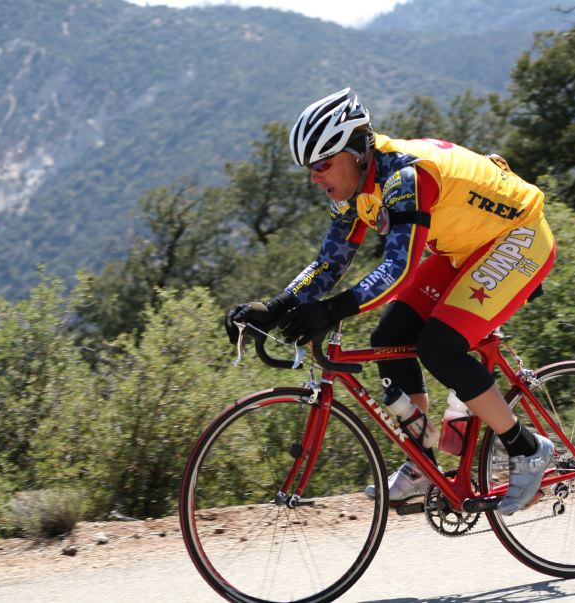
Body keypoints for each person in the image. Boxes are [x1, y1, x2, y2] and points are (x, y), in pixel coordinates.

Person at [225, 88, 555, 515]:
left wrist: (330, 310)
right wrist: (275, 307)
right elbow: (329, 263)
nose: (314, 177)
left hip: (517, 237)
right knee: (390, 338)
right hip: (464, 247)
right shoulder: (356, 192)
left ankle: (525, 447)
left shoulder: (406, 178)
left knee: (439, 346)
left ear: (358, 152)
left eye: (323, 164)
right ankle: (424, 463)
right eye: (311, 167)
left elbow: (396, 273)